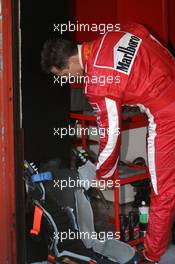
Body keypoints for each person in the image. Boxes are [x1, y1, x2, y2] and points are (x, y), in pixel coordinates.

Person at [41, 23, 175, 263]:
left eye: (62, 76)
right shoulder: (113, 34)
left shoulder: (95, 84)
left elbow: (111, 134)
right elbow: (145, 35)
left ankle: (151, 257)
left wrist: (102, 175)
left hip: (167, 115)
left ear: (70, 63)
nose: (66, 80)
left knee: (162, 190)